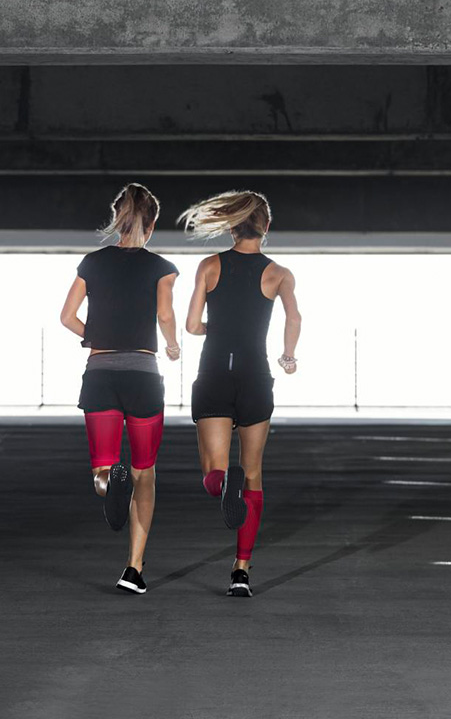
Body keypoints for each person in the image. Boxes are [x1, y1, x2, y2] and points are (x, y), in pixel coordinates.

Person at [179, 190, 301, 597]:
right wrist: (288, 357)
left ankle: (219, 483)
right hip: (254, 374)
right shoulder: (279, 273)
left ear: (232, 226)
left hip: (214, 371)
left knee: (214, 471)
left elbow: (193, 325)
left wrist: (215, 329)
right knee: (253, 473)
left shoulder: (209, 266)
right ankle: (241, 571)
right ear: (266, 228)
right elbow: (294, 317)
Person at [60, 183, 180, 595]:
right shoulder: (162, 266)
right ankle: (133, 569)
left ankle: (110, 482)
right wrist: (173, 344)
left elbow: (67, 316)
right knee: (146, 472)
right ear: (153, 222)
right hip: (144, 375)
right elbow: (165, 315)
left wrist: (95, 336)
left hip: (100, 374)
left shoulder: (92, 262)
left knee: (103, 469)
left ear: (119, 217)